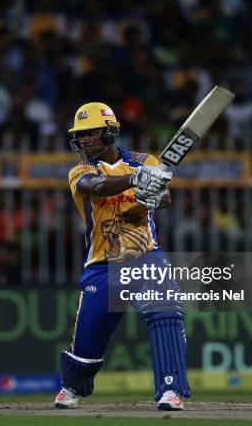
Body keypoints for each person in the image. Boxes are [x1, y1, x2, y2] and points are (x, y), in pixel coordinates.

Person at [53, 102, 191, 411]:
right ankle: (72, 386)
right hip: (102, 264)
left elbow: (165, 197)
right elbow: (97, 186)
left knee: (165, 313)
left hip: (144, 256)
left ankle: (171, 390)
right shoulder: (81, 170)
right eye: (81, 135)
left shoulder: (145, 160)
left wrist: (153, 193)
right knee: (86, 343)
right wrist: (133, 180)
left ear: (110, 131)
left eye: (91, 133)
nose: (85, 140)